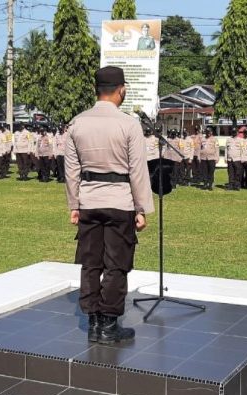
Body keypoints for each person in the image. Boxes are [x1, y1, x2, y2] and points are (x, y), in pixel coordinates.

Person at [64, 66, 154, 344]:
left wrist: (74, 204)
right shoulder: (128, 123)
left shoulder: (77, 123)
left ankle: (92, 323)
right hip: (120, 201)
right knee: (116, 264)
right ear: (121, 90)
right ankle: (108, 325)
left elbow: (71, 169)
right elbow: (138, 170)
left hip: (89, 200)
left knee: (90, 263)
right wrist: (141, 209)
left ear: (96, 89)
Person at [226, 126, 247, 191]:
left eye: (235, 132)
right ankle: (231, 185)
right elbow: (226, 149)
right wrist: (225, 157)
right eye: (232, 132)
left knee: (238, 173)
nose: (233, 133)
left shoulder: (241, 140)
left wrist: (243, 158)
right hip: (230, 159)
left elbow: (243, 150)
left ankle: (237, 186)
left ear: (237, 132)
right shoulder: (228, 140)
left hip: (238, 159)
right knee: (230, 173)